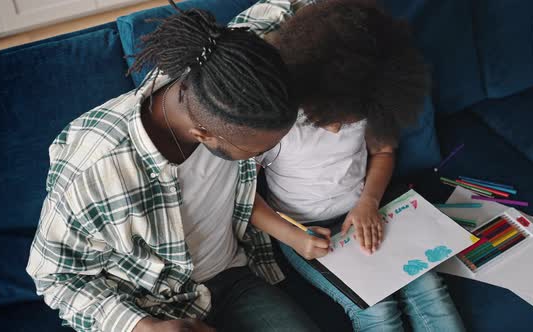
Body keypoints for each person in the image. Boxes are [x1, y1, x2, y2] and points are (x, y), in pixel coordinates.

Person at [26, 3, 320, 332]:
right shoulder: (95, 169)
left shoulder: (223, 65)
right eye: (259, 150)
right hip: (152, 305)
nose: (260, 159)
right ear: (203, 134)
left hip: (234, 277)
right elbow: (55, 277)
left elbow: (287, 6)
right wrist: (143, 326)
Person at [229, 1, 466, 331]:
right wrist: (294, 238)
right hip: (305, 229)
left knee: (430, 291)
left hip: (369, 209)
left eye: (350, 121)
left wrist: (368, 203)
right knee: (376, 308)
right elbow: (243, 198)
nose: (339, 130)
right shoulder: (277, 126)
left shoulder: (365, 96)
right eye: (330, 120)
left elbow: (383, 152)